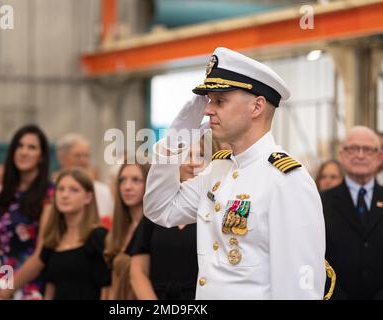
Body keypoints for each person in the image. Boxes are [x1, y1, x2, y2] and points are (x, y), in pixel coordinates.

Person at [143, 47, 326, 300]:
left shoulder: (287, 179)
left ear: (256, 107)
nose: (207, 110)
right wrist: (176, 143)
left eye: (220, 101)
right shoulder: (218, 170)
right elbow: (160, 209)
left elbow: (298, 288)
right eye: (208, 101)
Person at [0, 168, 111, 300]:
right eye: (60, 189)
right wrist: (5, 290)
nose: (65, 195)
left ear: (88, 197)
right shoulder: (53, 239)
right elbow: (50, 288)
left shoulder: (98, 236)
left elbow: (107, 288)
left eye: (74, 190)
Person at [129, 139, 212, 300]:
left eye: (201, 155)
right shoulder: (156, 209)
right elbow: (137, 271)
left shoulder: (215, 209)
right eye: (186, 156)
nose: (193, 163)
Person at [0, 124, 54, 300]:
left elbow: (41, 252)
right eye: (19, 146)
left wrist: (8, 290)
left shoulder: (50, 194)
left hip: (31, 283)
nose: (24, 152)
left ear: (41, 156)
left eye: (31, 147)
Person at [322, 126, 383, 299]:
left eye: (368, 149)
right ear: (341, 155)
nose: (360, 155)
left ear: (379, 157)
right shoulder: (321, 202)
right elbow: (315, 257)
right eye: (353, 149)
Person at [104, 161, 150, 300]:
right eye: (122, 180)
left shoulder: (158, 229)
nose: (127, 187)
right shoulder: (118, 230)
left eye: (136, 180)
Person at [57, 133, 114, 229]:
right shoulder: (52, 188)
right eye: (77, 156)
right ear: (62, 158)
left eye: (86, 156)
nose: (83, 161)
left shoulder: (102, 190)